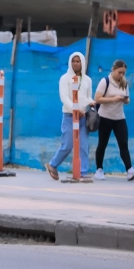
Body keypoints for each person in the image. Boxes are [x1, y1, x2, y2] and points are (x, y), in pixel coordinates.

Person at [45, 51, 93, 180]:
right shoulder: (64, 78)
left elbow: (88, 97)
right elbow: (64, 97)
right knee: (67, 144)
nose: (75, 63)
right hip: (69, 116)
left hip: (83, 118)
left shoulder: (87, 80)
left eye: (78, 61)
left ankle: (82, 172)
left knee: (83, 145)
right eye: (73, 61)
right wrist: (75, 109)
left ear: (82, 63)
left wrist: (91, 102)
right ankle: (53, 164)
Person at [93, 59, 134, 181]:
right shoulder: (105, 81)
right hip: (105, 117)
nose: (121, 75)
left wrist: (125, 100)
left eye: (123, 73)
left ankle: (129, 170)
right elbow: (97, 98)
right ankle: (99, 169)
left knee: (123, 144)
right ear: (113, 70)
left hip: (119, 117)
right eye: (119, 72)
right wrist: (114, 99)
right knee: (102, 143)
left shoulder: (124, 83)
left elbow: (128, 100)